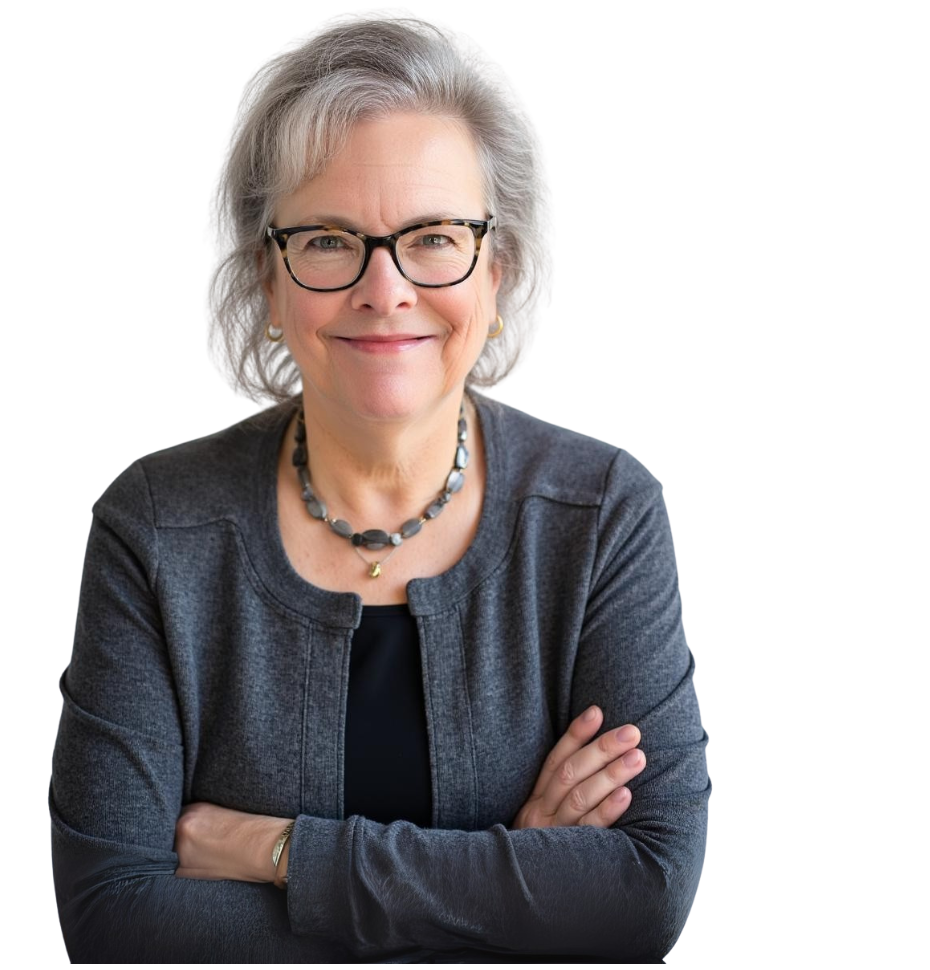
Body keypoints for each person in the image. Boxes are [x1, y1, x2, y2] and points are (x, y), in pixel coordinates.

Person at [49, 10, 710, 963]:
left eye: (435, 236)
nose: (385, 288)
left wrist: (278, 852)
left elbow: (642, 901)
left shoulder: (603, 513)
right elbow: (116, 925)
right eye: (326, 240)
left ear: (500, 269)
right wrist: (512, 881)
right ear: (266, 281)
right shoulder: (154, 527)